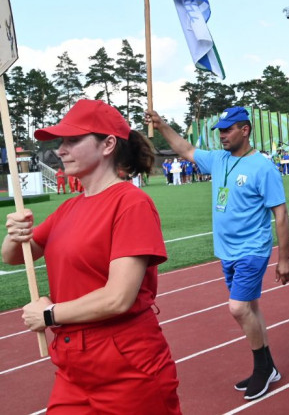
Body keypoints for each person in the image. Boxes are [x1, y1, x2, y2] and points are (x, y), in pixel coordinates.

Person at [2, 99, 181, 413]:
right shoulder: (69, 207)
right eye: (61, 142)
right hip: (73, 366)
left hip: (128, 367)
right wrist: (14, 234)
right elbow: (15, 256)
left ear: (108, 144)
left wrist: (49, 314)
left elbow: (118, 298)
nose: (61, 150)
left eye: (72, 140)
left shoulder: (131, 203)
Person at [145, 106, 289, 401]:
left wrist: (285, 258)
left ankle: (262, 368)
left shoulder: (263, 167)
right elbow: (186, 149)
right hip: (227, 251)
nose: (222, 136)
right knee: (250, 307)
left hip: (252, 249)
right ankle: (269, 367)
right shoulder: (219, 159)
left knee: (238, 308)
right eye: (220, 131)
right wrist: (161, 125)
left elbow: (281, 213)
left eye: (227, 130)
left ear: (245, 130)